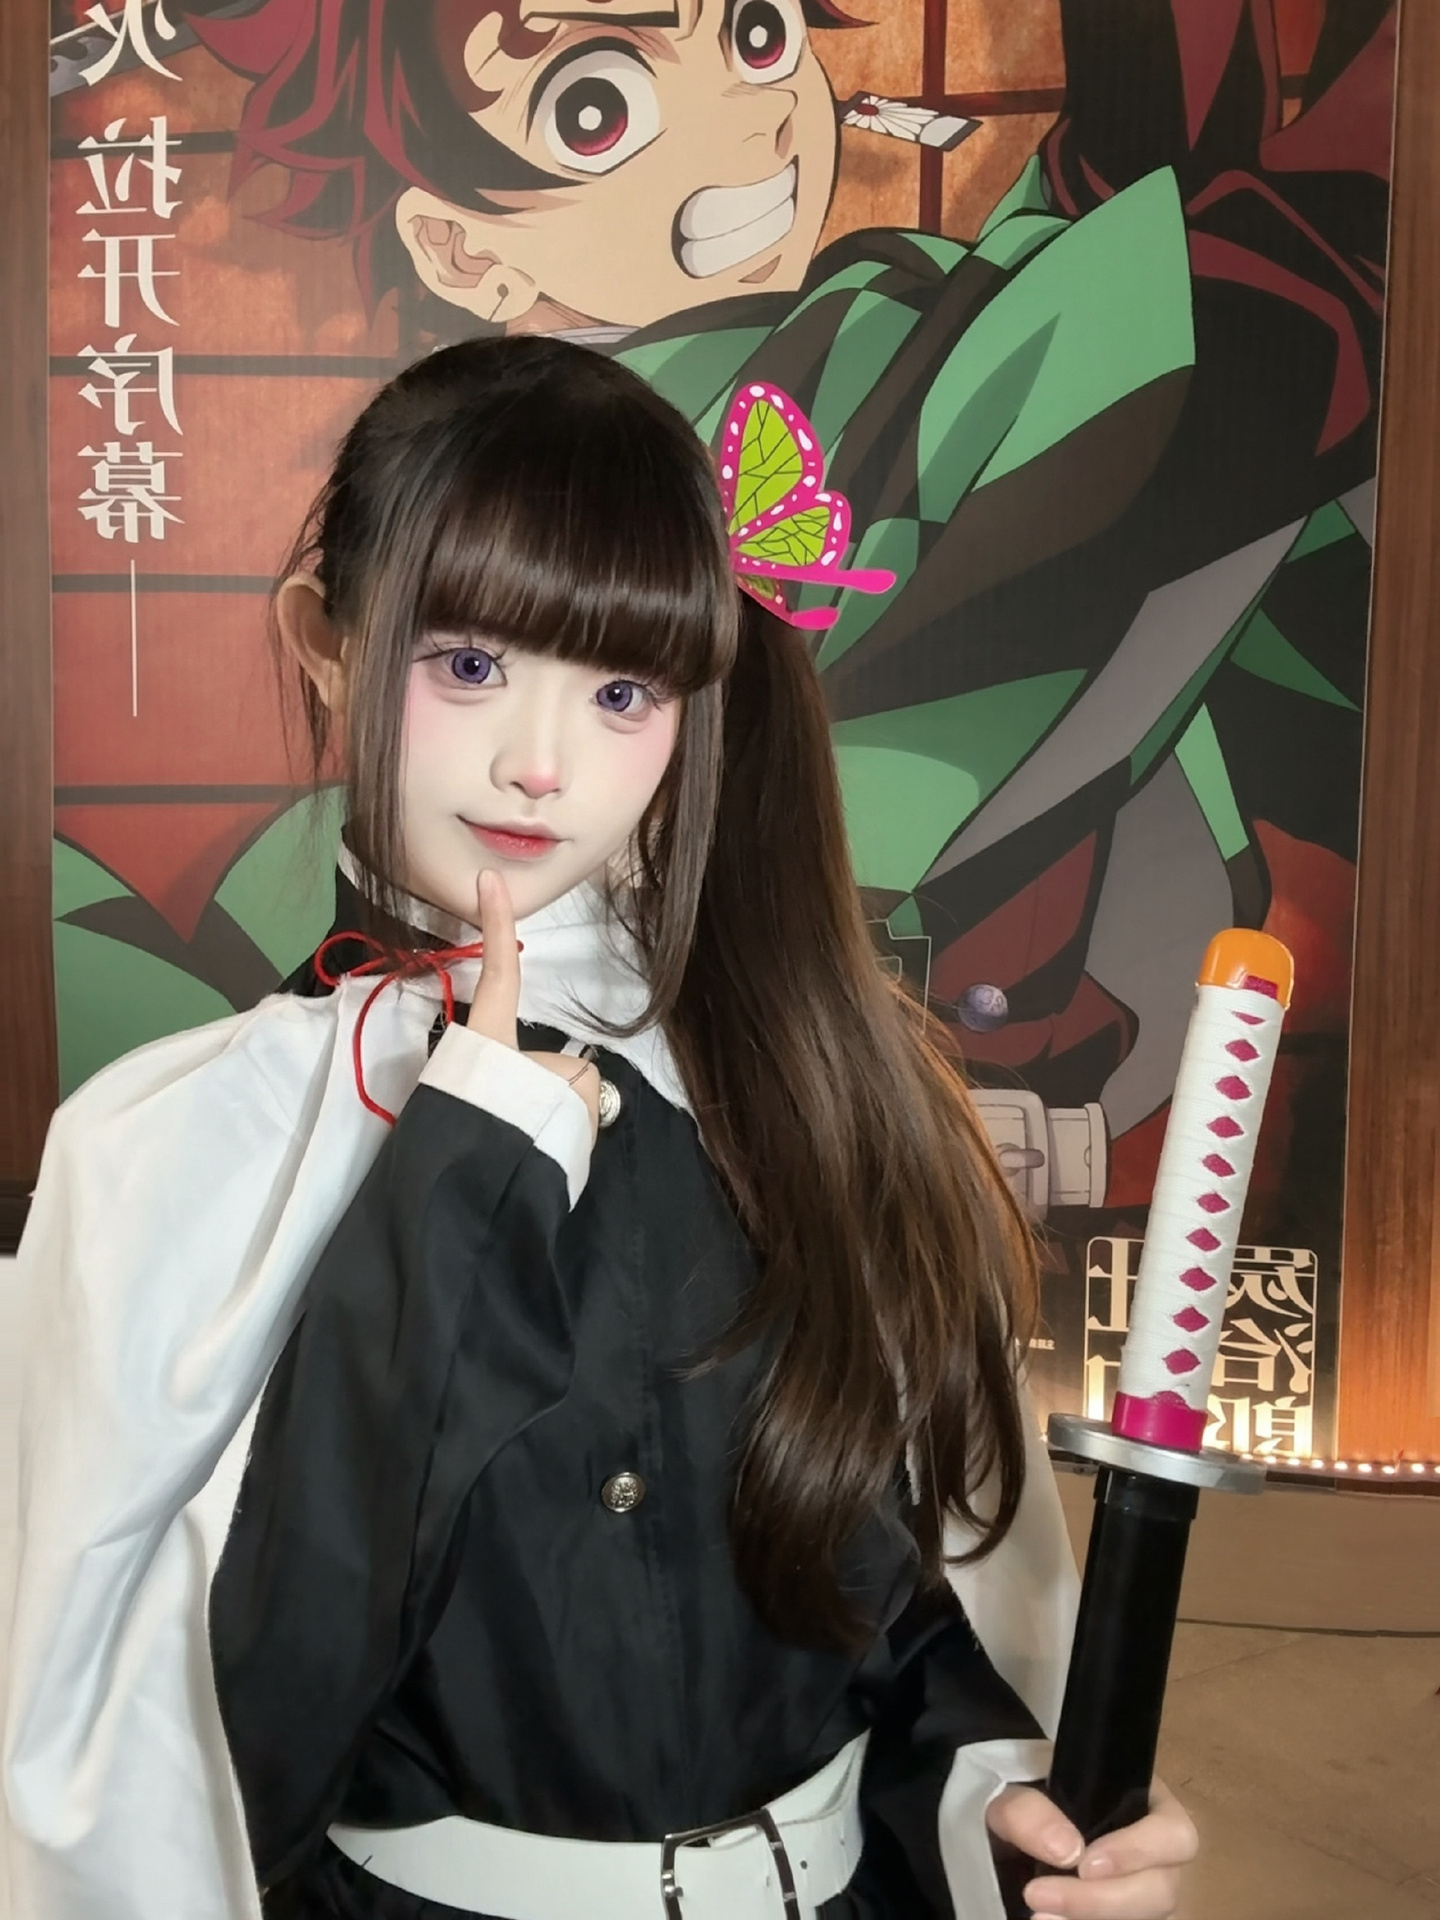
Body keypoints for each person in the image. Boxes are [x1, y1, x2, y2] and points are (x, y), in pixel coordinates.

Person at [5, 337, 1196, 1920]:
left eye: (621, 690)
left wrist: (1013, 1816)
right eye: (469, 665)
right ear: (326, 645)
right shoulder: (174, 1151)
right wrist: (456, 1199)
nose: (539, 764)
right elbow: (190, 1771)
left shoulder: (815, 1077)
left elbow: (906, 1608)